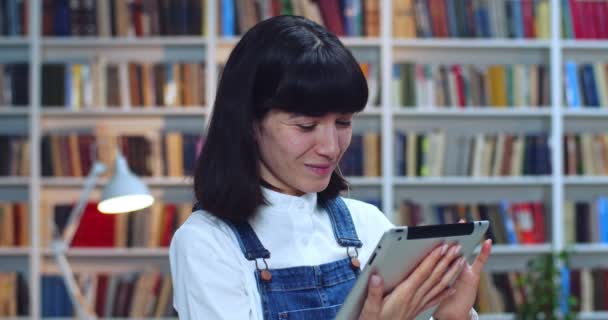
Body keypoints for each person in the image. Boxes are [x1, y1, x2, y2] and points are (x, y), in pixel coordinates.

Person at [169, 15, 492, 320]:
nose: (331, 147)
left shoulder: (368, 225)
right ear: (250, 123)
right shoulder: (206, 243)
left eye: (343, 122)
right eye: (306, 126)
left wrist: (452, 316)